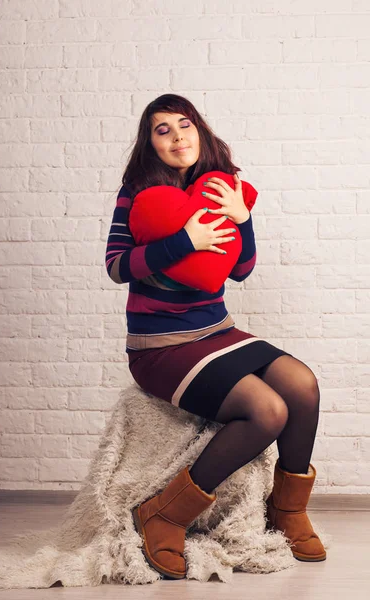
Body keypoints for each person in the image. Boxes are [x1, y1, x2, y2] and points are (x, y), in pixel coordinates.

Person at [105, 93, 326, 580]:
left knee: (302, 385)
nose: (177, 136)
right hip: (159, 346)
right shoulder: (138, 193)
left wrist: (242, 221)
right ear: (151, 144)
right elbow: (117, 266)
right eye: (162, 130)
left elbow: (241, 270)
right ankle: (164, 513)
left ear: (200, 131)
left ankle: (286, 509)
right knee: (267, 410)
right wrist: (186, 241)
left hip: (218, 332)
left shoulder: (220, 188)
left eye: (184, 125)